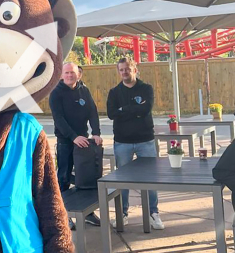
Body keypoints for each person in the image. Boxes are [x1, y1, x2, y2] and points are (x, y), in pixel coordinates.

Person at [107, 57, 164, 230]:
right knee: (123, 179)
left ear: (135, 70)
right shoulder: (114, 92)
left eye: (127, 69)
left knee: (150, 178)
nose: (125, 72)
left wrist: (123, 109)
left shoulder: (146, 89)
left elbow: (146, 109)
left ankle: (153, 213)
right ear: (119, 71)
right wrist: (133, 110)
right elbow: (111, 113)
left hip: (145, 140)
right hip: (122, 142)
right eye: (121, 69)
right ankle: (123, 213)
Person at [49, 62, 103, 228]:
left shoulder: (84, 90)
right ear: (61, 75)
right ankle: (64, 215)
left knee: (85, 179)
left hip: (84, 142)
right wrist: (73, 137)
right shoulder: (56, 94)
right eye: (66, 73)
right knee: (64, 178)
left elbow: (93, 112)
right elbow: (59, 120)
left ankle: (88, 213)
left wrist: (96, 132)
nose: (69, 76)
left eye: (72, 73)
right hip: (66, 142)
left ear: (78, 74)